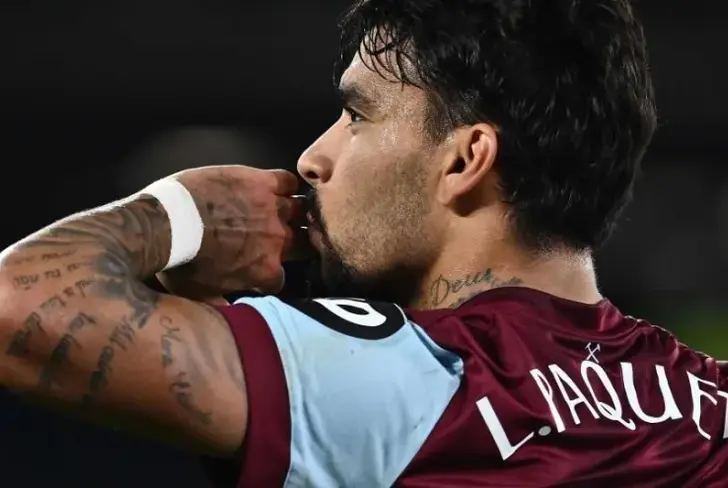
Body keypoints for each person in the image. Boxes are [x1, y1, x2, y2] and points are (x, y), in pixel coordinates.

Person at [0, 0, 725, 486]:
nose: (314, 158)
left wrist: (179, 214)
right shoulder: (714, 406)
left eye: (357, 116)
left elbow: (16, 303)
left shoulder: (407, 377)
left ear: (465, 160)